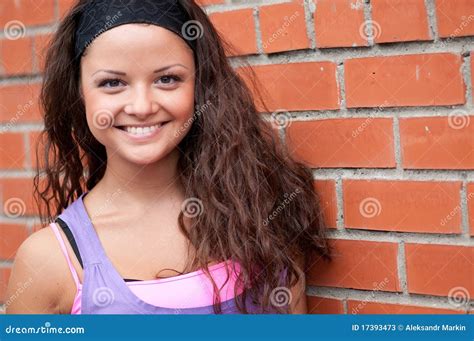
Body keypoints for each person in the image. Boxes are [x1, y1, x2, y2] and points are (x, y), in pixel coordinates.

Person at [6, 0, 331, 314]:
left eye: (167, 79)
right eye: (112, 83)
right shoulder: (47, 261)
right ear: (79, 93)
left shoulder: (260, 209)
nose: (142, 106)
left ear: (200, 85)